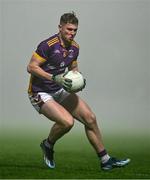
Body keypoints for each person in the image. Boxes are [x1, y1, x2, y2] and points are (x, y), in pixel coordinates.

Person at [27, 12, 130, 171]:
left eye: (75, 30)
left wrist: (79, 79)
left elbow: (73, 67)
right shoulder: (47, 45)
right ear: (60, 27)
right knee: (67, 122)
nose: (72, 33)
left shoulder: (75, 47)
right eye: (69, 29)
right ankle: (48, 145)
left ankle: (105, 160)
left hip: (59, 88)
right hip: (39, 92)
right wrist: (54, 78)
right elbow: (31, 67)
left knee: (90, 118)